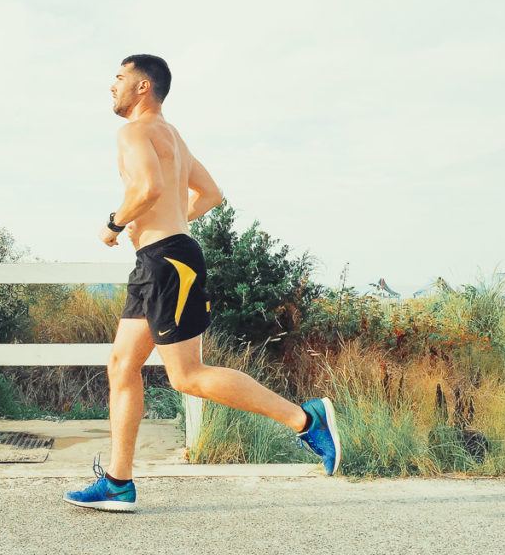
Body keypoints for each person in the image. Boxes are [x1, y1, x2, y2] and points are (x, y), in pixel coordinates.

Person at [63, 54, 340, 512]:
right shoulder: (172, 135)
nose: (110, 86)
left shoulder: (133, 131)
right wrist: (166, 224)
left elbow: (147, 188)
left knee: (186, 375)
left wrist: (115, 224)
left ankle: (304, 419)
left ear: (143, 87)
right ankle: (117, 482)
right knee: (121, 365)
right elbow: (210, 195)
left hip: (166, 263)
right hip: (163, 258)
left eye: (118, 78)